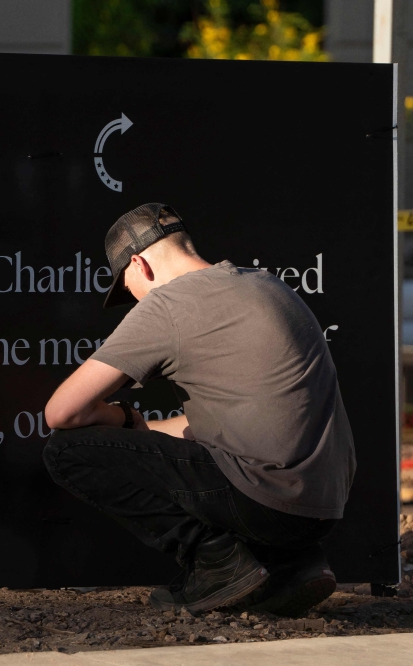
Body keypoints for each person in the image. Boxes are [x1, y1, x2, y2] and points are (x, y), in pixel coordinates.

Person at [42, 203, 355, 616]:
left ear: (140, 264)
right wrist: (144, 430)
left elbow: (61, 413)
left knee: (66, 450)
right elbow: (220, 423)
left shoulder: (167, 304)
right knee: (234, 466)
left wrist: (121, 419)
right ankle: (292, 563)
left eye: (127, 287)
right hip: (322, 506)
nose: (133, 299)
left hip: (266, 502)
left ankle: (217, 562)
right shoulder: (268, 285)